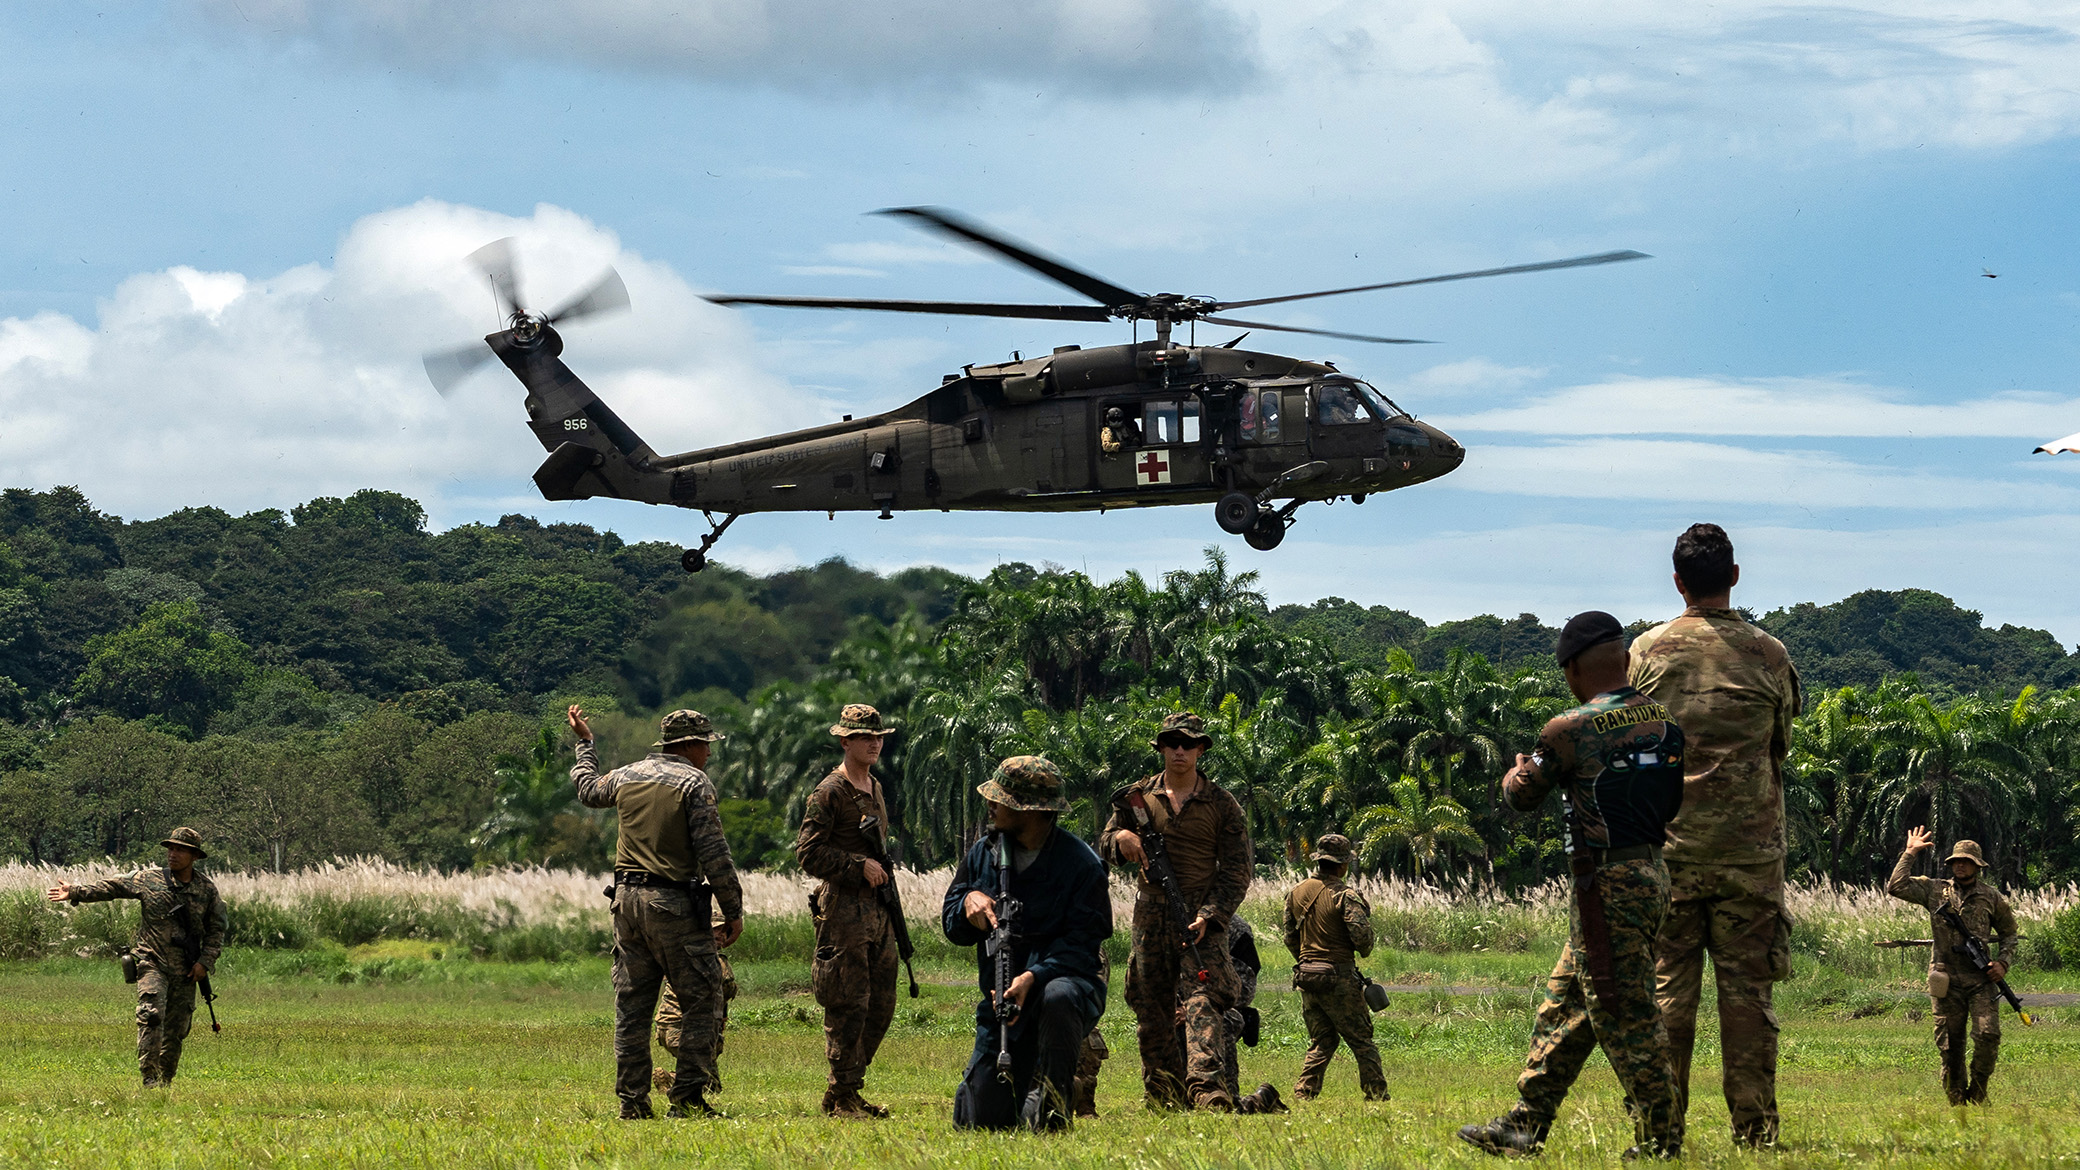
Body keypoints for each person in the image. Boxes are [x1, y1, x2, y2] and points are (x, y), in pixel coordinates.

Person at [1459, 612, 1685, 1159]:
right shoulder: (1666, 724)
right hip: (1651, 873)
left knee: (1624, 1011)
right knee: (1565, 1006)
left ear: (1573, 668)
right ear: (1623, 658)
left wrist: (1516, 772)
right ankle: (1525, 1123)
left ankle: (1661, 1140)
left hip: (1606, 886)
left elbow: (1523, 795)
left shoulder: (1568, 729)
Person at [1628, 523, 1801, 1148]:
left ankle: (1659, 1130)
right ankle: (1755, 1131)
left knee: (1667, 993)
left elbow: (1627, 748)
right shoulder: (1769, 655)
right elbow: (1779, 743)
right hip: (1751, 858)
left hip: (1667, 853)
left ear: (1678, 582)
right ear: (1734, 576)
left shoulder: (1646, 654)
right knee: (1748, 998)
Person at [569, 705, 743, 1120]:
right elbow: (713, 852)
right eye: (706, 745)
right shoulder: (694, 783)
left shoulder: (628, 775)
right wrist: (732, 909)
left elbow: (588, 790)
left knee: (632, 1007)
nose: (709, 753)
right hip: (673, 905)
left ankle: (632, 1103)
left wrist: (586, 745)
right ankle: (687, 1099)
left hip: (626, 903)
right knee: (703, 998)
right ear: (690, 745)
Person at [942, 756, 1113, 1131]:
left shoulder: (1081, 864)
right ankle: (1024, 1088)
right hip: (1002, 1002)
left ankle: (1055, 1096)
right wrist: (967, 901)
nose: (991, 803)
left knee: (1059, 996)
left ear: (1031, 810)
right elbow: (952, 925)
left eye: (1001, 798)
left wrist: (1035, 975)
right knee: (981, 1120)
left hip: (1063, 987)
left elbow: (1084, 944)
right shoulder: (983, 854)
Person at [1098, 711, 1254, 1111]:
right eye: (1171, 742)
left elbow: (1238, 869)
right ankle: (1163, 1094)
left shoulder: (1221, 803)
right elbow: (1105, 843)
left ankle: (1205, 1086)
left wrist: (1212, 914)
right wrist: (1123, 839)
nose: (1179, 750)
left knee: (1205, 998)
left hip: (1200, 920)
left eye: (1188, 743)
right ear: (1162, 748)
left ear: (1201, 749)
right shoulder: (1137, 798)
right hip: (1150, 917)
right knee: (1151, 1006)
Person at [46, 827, 226, 1087]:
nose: (173, 854)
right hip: (152, 963)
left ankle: (164, 1083)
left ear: (195, 856)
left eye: (180, 849)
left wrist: (204, 963)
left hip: (186, 970)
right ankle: (149, 1077)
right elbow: (112, 887)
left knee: (175, 1031)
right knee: (151, 1015)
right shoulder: (148, 879)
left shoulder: (206, 890)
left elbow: (216, 930)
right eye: (170, 848)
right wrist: (75, 892)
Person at [796, 703, 903, 1118]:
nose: (874, 743)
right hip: (844, 911)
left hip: (877, 911)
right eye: (865, 737)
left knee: (880, 1004)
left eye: (878, 737)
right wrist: (857, 866)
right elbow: (808, 853)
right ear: (845, 741)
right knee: (848, 1002)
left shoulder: (873, 786)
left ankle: (845, 1090)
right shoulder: (830, 791)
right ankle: (842, 1098)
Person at [1886, 827, 2020, 1104]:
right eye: (1955, 861)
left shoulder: (1991, 897)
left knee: (1987, 1035)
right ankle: (1956, 1099)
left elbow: (2009, 934)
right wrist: (1910, 853)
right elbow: (1896, 886)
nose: (1960, 865)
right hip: (1945, 979)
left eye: (1966, 861)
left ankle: (1979, 1089)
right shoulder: (1935, 889)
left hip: (1980, 979)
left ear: (1977, 866)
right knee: (1950, 1045)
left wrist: (2003, 963)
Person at [1282, 833, 1388, 1103]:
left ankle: (1304, 1092)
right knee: (1362, 1041)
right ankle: (1377, 1095)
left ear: (1319, 861)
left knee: (1323, 1040)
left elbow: (1289, 937)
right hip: (1339, 978)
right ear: (1342, 865)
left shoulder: (1295, 893)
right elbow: (1362, 939)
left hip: (1307, 977)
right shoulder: (1345, 895)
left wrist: (1309, 960)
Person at [653, 940, 739, 1094]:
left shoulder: (678, 956)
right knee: (704, 1076)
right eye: (717, 930)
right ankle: (674, 1082)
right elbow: (726, 987)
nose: (721, 936)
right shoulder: (715, 960)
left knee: (712, 1085)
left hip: (665, 1028)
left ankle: (672, 1080)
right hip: (684, 1029)